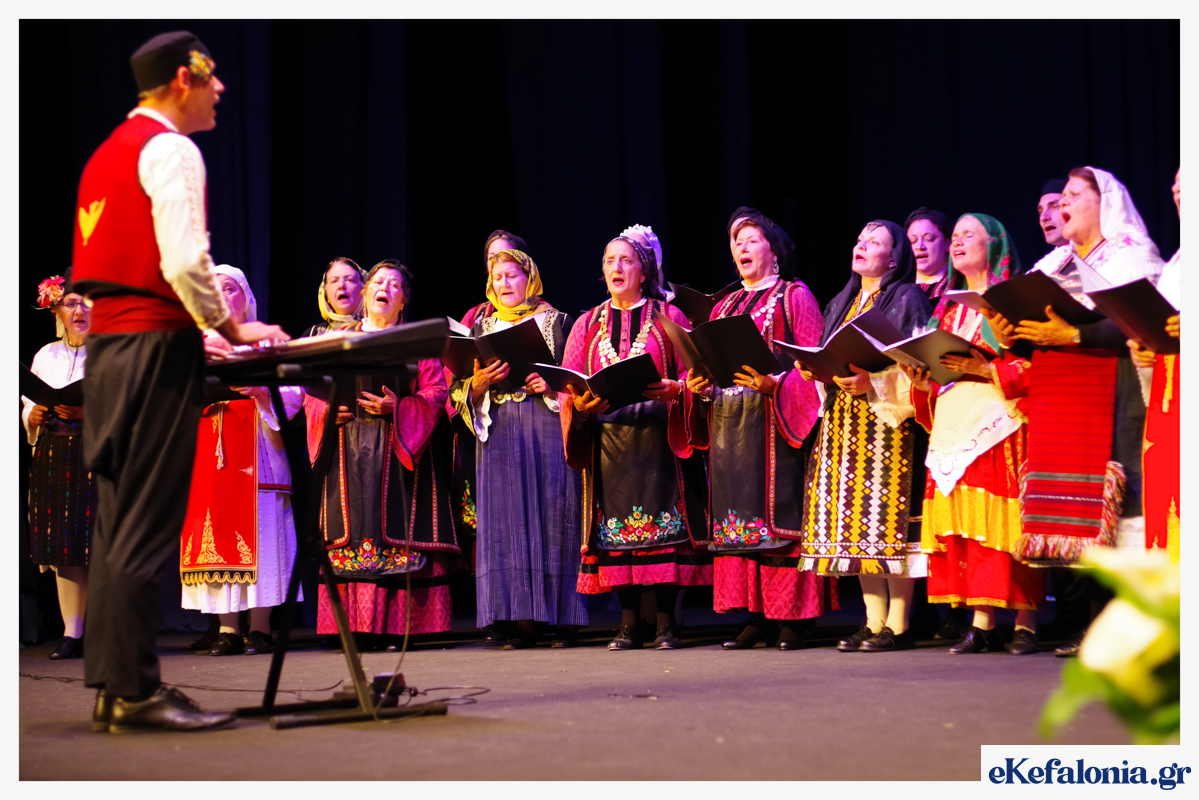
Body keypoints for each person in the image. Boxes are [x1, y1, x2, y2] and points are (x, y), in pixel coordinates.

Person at [73, 31, 287, 732]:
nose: (221, 88)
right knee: (144, 525)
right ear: (181, 79)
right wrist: (232, 329)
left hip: (109, 353)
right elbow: (185, 263)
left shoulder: (108, 152)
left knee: (117, 524)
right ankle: (135, 693)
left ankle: (115, 684)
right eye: (210, 76)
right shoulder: (170, 149)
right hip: (152, 349)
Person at [1005, 167, 1164, 656]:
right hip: (1064, 399)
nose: (1063, 204)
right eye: (1063, 196)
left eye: (1074, 195)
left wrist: (1075, 334)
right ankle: (1087, 624)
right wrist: (1011, 331)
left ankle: (1130, 625)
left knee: (1119, 509)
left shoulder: (1131, 253)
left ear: (1104, 203)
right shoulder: (1054, 263)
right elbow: (1041, 330)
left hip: (1117, 392)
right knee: (1078, 515)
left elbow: (1138, 319)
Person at [684, 211, 830, 650]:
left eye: (751, 239)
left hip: (775, 424)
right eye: (737, 241)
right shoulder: (723, 306)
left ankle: (792, 617)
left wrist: (776, 385)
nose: (742, 247)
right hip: (731, 427)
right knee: (740, 520)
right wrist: (700, 384)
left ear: (774, 250)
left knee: (779, 518)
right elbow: (711, 367)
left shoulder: (794, 296)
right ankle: (756, 614)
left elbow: (814, 366)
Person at [561, 228, 711, 650]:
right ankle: (628, 623)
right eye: (609, 261)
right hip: (610, 446)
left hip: (660, 442)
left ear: (643, 272)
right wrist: (580, 403)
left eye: (625, 260)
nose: (616, 268)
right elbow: (568, 385)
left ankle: (665, 622)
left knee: (665, 531)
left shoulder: (669, 317)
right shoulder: (587, 323)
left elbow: (697, 374)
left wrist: (678, 389)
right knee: (615, 535)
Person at [901, 213, 1043, 655]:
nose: (958, 242)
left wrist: (985, 369)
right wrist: (921, 378)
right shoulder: (947, 307)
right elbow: (943, 372)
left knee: (1005, 524)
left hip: (1001, 422)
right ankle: (983, 621)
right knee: (968, 526)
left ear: (994, 244)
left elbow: (1039, 368)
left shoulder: (1012, 301)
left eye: (968, 235)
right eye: (956, 236)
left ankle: (1026, 623)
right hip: (954, 421)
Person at [790, 220, 932, 652]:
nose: (861, 245)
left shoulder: (907, 297)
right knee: (856, 523)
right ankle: (872, 621)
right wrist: (815, 370)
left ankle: (899, 625)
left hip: (888, 424)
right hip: (843, 423)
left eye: (874, 242)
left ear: (893, 258)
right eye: (859, 239)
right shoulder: (841, 300)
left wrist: (874, 381)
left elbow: (917, 363)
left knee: (889, 523)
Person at [300, 261, 457, 650]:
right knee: (351, 536)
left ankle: (396, 629)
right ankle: (351, 627)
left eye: (394, 284)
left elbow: (437, 393)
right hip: (347, 455)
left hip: (397, 452)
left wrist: (398, 407)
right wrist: (326, 410)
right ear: (366, 292)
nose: (384, 287)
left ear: (403, 300)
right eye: (377, 281)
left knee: (397, 536)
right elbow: (311, 394)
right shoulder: (339, 340)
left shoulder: (417, 343)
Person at [449, 248, 587, 648]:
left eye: (512, 275)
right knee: (508, 523)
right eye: (497, 277)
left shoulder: (559, 322)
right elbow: (457, 390)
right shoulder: (480, 328)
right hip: (500, 432)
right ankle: (521, 620)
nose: (504, 283)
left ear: (530, 279)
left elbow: (580, 377)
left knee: (555, 514)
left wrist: (553, 384)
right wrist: (477, 385)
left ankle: (565, 619)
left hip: (546, 428)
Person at [179, 265, 302, 656]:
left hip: (257, 451)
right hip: (209, 453)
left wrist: (261, 391)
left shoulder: (265, 342)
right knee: (214, 535)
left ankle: (260, 628)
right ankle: (228, 628)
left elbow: (295, 394)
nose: (221, 293)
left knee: (263, 533)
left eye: (229, 288)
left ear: (246, 298)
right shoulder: (194, 347)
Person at [22, 275, 94, 660]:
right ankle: (72, 632)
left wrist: (87, 412)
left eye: (85, 303)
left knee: (97, 545)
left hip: (96, 453)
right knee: (63, 547)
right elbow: (27, 402)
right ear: (57, 311)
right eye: (70, 303)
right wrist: (31, 416)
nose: (78, 310)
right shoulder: (46, 356)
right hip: (53, 453)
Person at [1129, 167, 1181, 560]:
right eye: (1176, 184)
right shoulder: (1178, 261)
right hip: (1168, 399)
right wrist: (1144, 349)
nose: (1177, 191)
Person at [302, 256, 367, 337]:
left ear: (363, 289)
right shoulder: (312, 334)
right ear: (325, 294)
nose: (341, 285)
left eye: (349, 280)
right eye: (334, 281)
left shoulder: (375, 330)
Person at [904, 207, 951, 300]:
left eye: (929, 239)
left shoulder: (961, 285)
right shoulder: (897, 288)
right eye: (913, 241)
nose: (919, 246)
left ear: (948, 243)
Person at [1037, 179, 1069, 249]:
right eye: (1040, 211)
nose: (1043, 217)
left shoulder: (1093, 253)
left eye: (1055, 207)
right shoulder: (1052, 257)